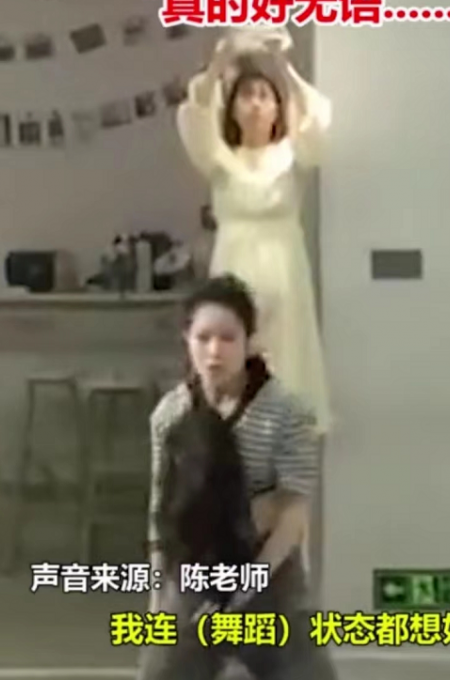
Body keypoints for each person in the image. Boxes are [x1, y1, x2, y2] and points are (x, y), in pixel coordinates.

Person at [138, 275, 337, 680]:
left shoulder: (288, 412)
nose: (215, 351)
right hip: (195, 569)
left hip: (267, 571)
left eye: (228, 338)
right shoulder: (170, 415)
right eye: (203, 338)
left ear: (249, 342)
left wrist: (247, 585)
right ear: (187, 340)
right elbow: (161, 510)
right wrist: (158, 595)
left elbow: (293, 514)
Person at [176, 38, 331, 434]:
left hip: (283, 266)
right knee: (230, 357)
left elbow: (318, 121)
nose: (256, 104)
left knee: (285, 359)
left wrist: (282, 65)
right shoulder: (220, 157)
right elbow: (195, 114)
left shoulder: (291, 156)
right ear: (233, 107)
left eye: (265, 95)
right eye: (247, 95)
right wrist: (221, 61)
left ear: (278, 106)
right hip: (235, 262)